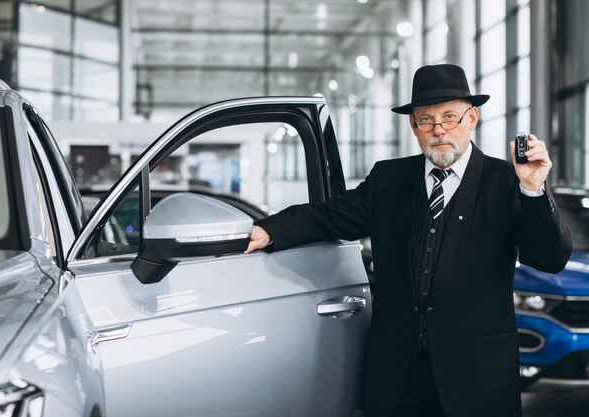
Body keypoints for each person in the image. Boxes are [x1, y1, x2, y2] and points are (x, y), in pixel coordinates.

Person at [245, 64, 572, 417]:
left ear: (472, 118)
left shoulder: (507, 181)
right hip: (398, 376)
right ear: (413, 126)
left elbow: (550, 258)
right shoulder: (388, 178)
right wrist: (268, 231)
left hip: (477, 376)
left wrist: (533, 188)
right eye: (426, 120)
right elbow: (330, 216)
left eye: (450, 117)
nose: (439, 130)